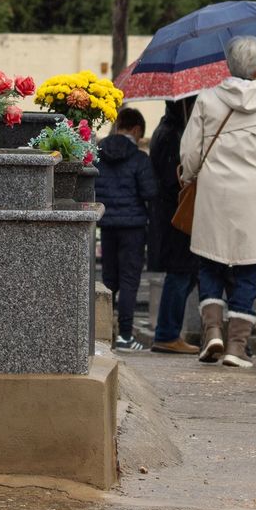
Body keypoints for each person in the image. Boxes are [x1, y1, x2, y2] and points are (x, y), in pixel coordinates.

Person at [179, 36, 256, 368]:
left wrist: (188, 175)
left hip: (214, 194)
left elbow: (190, 153)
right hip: (254, 200)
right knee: (248, 268)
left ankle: (212, 330)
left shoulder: (206, 99)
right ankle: (237, 346)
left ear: (228, 65)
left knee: (210, 261)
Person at [94, 107, 157, 351]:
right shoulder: (139, 158)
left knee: (109, 279)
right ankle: (126, 335)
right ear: (136, 129)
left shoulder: (98, 153)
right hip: (133, 226)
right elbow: (150, 191)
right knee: (130, 280)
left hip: (107, 224)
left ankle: (105, 332)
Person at [148, 97, 200, 354]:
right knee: (180, 274)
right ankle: (167, 333)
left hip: (173, 215)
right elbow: (173, 178)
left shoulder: (169, 129)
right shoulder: (171, 134)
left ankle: (169, 332)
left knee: (185, 273)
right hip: (176, 215)